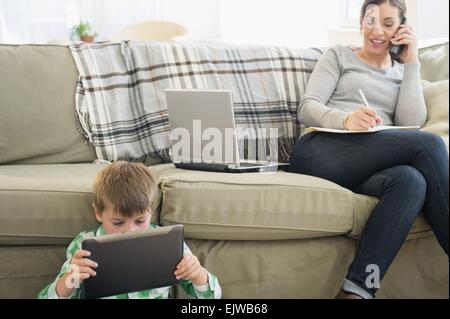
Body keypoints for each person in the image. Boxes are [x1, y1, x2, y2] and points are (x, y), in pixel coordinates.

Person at [290, 0, 448, 299]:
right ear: (361, 21)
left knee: (411, 180)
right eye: (371, 21)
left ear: (400, 29)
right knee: (430, 144)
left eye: (388, 24)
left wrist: (412, 61)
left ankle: (357, 290)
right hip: (321, 150)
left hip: (368, 166)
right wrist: (346, 119)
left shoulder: (404, 73)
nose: (377, 30)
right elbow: (307, 108)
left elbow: (411, 124)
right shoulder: (338, 55)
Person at [38, 161, 221, 299]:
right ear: (98, 213)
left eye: (140, 221)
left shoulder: (166, 242)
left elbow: (211, 297)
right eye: (118, 223)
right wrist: (72, 277)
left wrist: (197, 273)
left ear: (150, 211)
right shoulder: (84, 246)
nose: (129, 231)